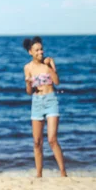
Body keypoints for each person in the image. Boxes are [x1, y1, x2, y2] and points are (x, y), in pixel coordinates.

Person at [23, 36, 67, 177]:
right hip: (36, 102)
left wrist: (49, 67)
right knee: (37, 142)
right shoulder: (27, 68)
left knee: (52, 139)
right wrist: (29, 84)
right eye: (37, 50)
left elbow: (57, 81)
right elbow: (29, 92)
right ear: (30, 52)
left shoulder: (49, 62)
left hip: (51, 101)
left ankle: (63, 173)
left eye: (41, 49)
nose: (40, 52)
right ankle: (39, 174)